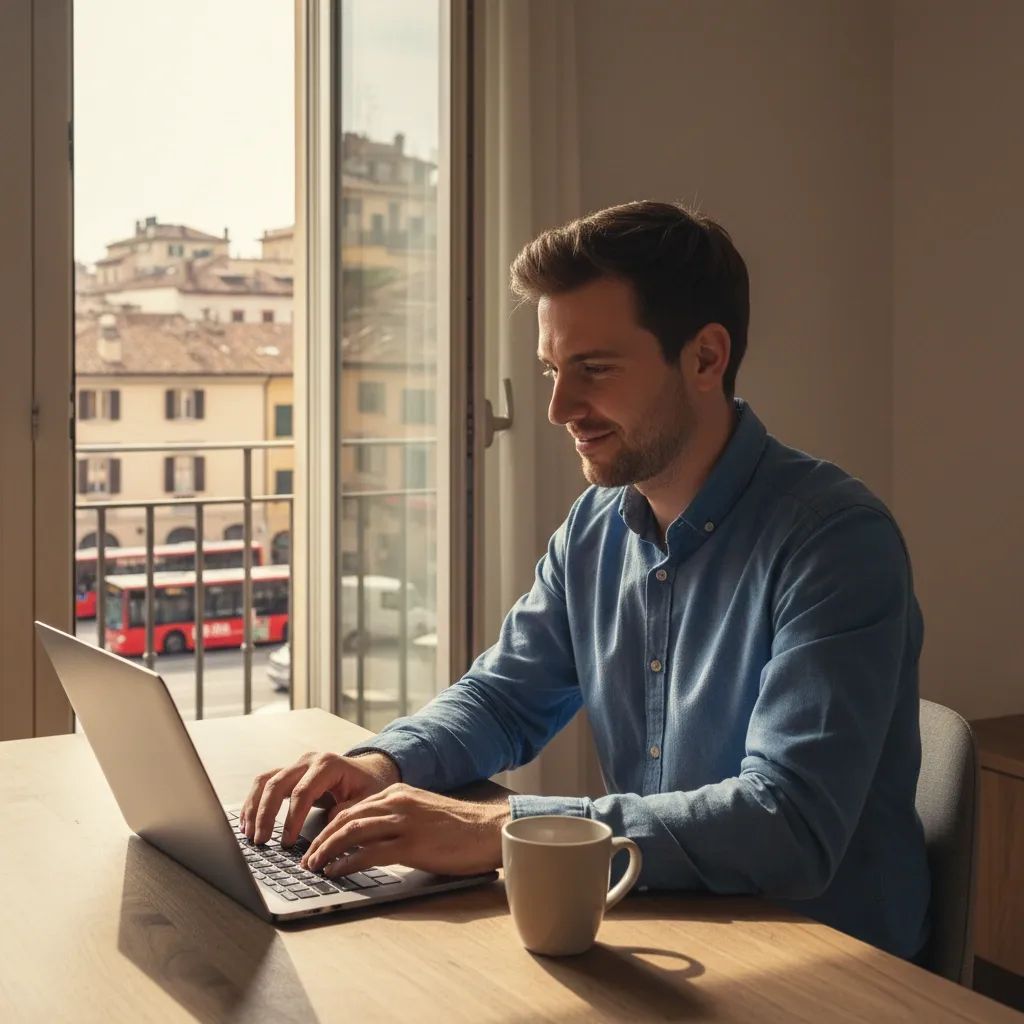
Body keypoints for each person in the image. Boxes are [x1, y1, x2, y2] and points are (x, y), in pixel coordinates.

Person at [242, 200, 930, 959]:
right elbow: (503, 700)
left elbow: (787, 826)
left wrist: (503, 830)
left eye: (593, 369)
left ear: (705, 358)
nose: (560, 407)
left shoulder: (834, 540)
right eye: (552, 369)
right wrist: (381, 764)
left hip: (827, 968)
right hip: (661, 931)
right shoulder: (596, 525)